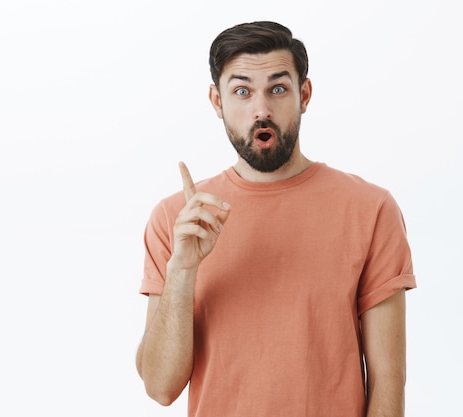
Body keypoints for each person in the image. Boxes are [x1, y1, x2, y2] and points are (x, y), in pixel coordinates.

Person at [135, 21, 416, 417]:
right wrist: (182, 270)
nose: (261, 109)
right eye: (242, 91)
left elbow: (388, 381)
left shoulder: (370, 209)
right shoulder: (178, 218)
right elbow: (159, 387)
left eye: (278, 89)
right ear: (217, 102)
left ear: (304, 94)